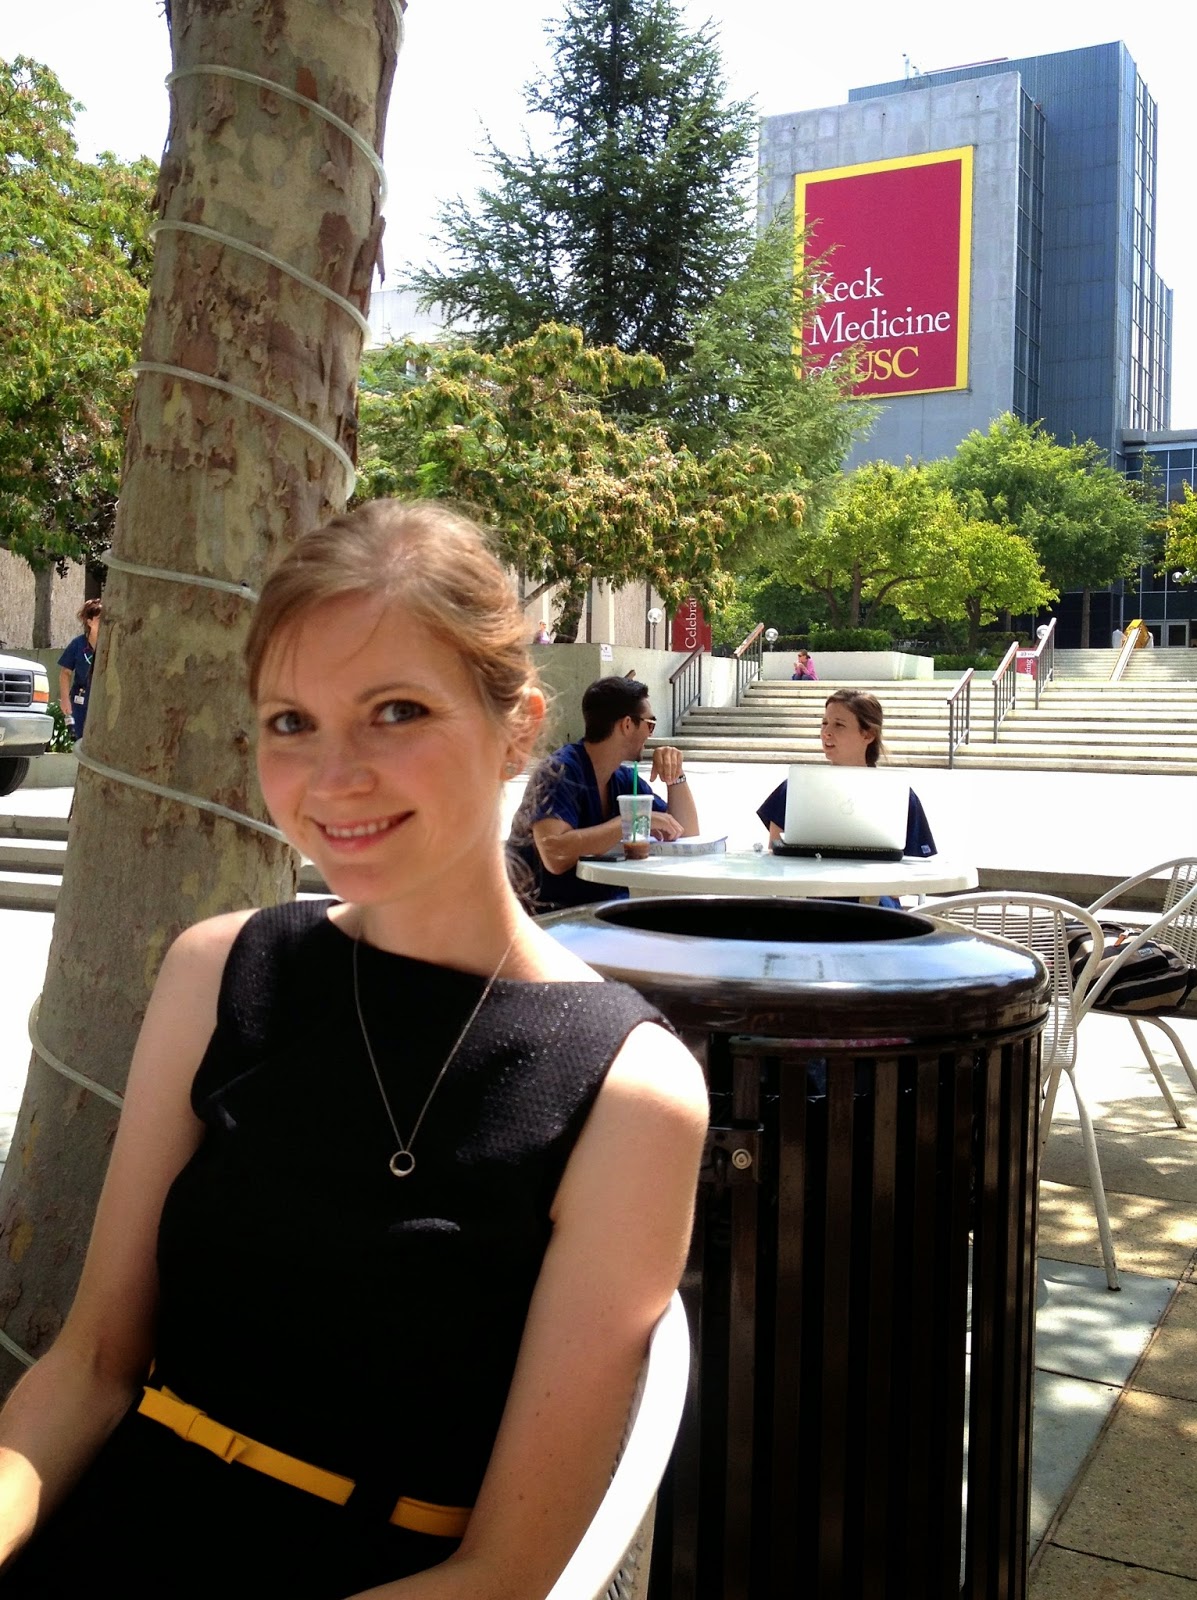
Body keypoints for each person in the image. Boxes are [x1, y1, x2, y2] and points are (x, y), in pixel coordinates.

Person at [0, 502, 707, 1600]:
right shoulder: (219, 971)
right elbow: (90, 1367)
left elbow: (508, 1572)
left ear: (518, 728)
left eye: (396, 711)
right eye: (291, 721)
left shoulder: (627, 1092)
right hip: (113, 1528)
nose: (333, 778)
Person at [509, 675, 699, 912]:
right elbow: (555, 855)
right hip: (548, 918)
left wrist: (676, 775)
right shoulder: (560, 772)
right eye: (650, 724)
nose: (651, 734)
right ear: (627, 725)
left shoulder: (623, 779)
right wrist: (629, 821)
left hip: (604, 910)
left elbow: (686, 832)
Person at [756, 689, 936, 864]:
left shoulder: (899, 795)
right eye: (824, 723)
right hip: (809, 885)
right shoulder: (794, 788)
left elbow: (917, 866)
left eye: (839, 725)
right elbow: (776, 860)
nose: (826, 732)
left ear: (868, 734)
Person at [57, 599, 101, 742]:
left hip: (103, 697)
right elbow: (65, 673)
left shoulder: (111, 644)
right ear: (89, 622)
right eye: (99, 619)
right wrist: (65, 700)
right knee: (81, 739)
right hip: (81, 698)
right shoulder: (78, 644)